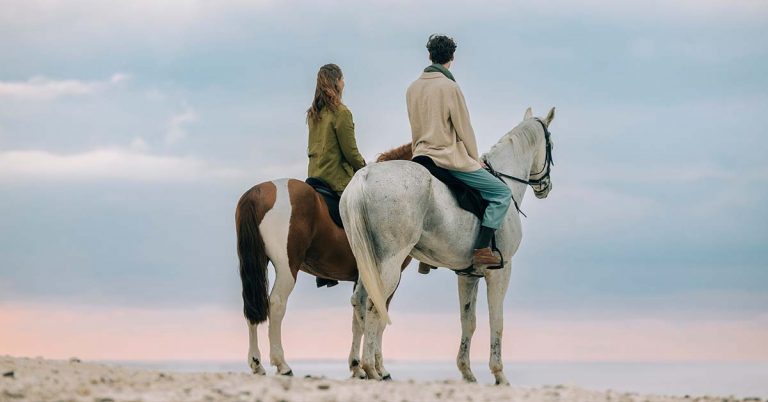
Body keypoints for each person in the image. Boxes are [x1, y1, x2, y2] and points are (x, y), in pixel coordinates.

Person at [406, 34, 512, 267]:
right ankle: (482, 248)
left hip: (420, 156)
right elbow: (464, 129)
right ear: (452, 58)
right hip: (446, 158)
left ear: (429, 55)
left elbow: (415, 128)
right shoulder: (450, 87)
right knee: (501, 193)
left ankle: (427, 257)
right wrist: (475, 158)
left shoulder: (412, 88)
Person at [307, 63, 366, 195]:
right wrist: (365, 168)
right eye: (342, 79)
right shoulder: (341, 113)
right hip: (336, 182)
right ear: (336, 82)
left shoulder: (313, 114)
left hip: (314, 177)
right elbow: (350, 152)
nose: (343, 83)